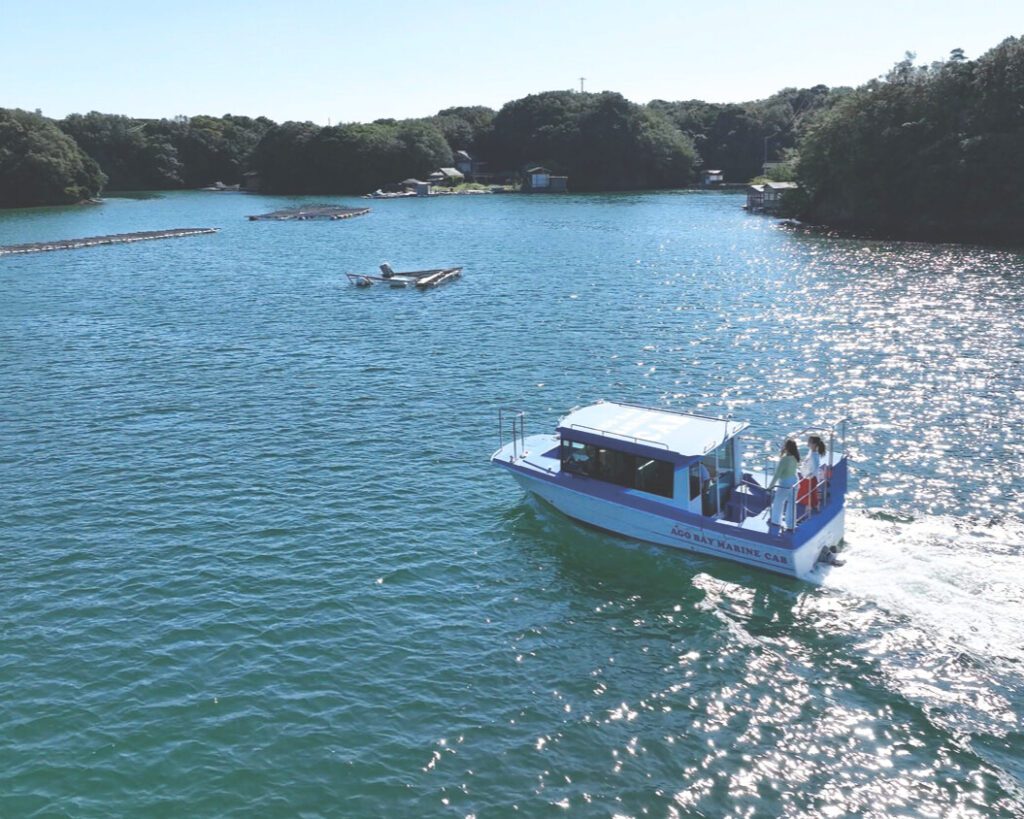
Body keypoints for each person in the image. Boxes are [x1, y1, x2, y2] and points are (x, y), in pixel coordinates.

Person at [768, 439, 801, 530]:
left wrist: (770, 487)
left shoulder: (784, 460)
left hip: (785, 484)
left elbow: (777, 475)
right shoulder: (795, 457)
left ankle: (776, 522)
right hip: (795, 482)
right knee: (791, 504)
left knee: (778, 502)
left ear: (786, 448)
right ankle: (790, 525)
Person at [804, 435, 827, 510]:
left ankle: (815, 506)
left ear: (814, 444)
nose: (808, 443)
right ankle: (813, 505)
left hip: (812, 477)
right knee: (812, 492)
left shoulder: (814, 456)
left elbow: (815, 467)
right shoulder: (811, 452)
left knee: (812, 492)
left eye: (809, 442)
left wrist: (810, 475)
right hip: (811, 476)